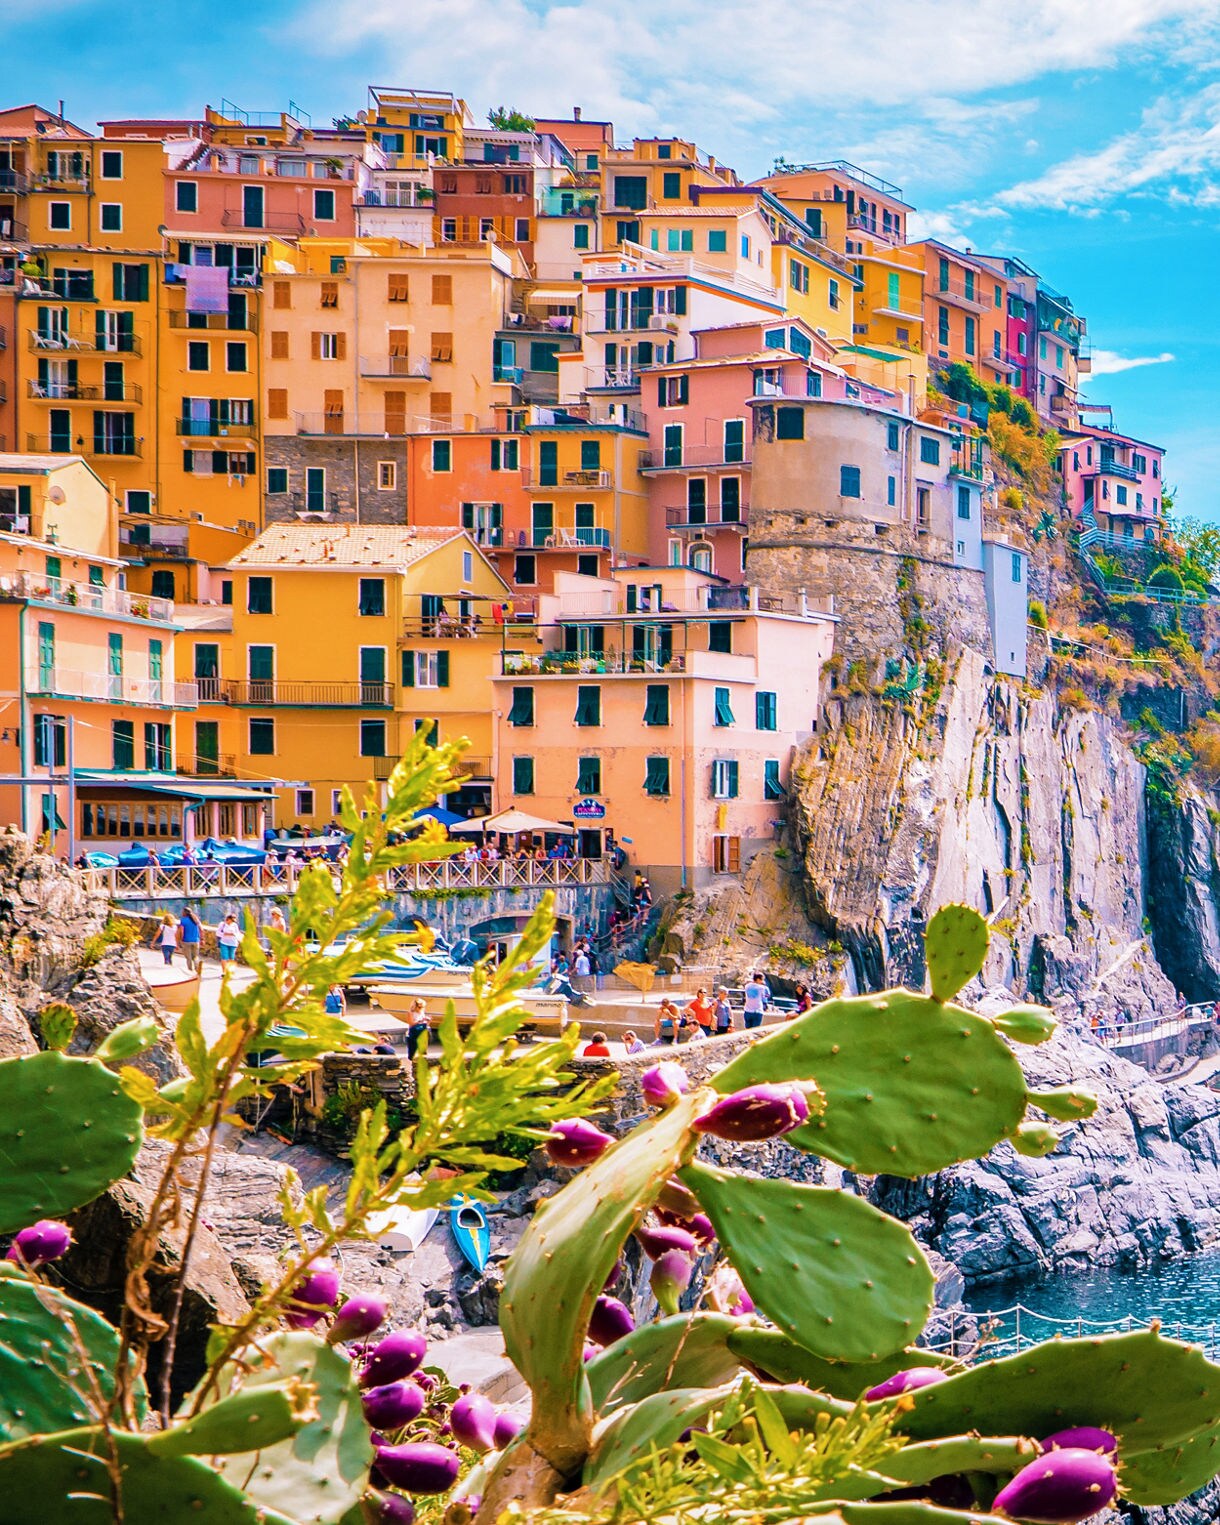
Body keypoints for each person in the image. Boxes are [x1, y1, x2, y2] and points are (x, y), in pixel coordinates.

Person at [179, 906, 203, 972]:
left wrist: (180, 940)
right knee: (195, 956)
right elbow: (201, 929)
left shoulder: (183, 920)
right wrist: (202, 939)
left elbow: (181, 931)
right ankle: (197, 968)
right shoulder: (196, 920)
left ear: (184, 913)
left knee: (188, 957)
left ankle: (190, 970)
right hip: (196, 940)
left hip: (186, 941)